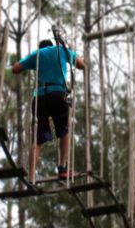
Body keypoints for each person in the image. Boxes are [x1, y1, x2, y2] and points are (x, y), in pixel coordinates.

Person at [12, 39, 85, 181]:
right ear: (51, 46)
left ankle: (31, 176)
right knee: (64, 131)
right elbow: (82, 65)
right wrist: (68, 49)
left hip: (39, 98)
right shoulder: (61, 50)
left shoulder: (37, 55)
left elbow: (15, 69)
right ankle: (62, 168)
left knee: (37, 139)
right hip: (58, 95)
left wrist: (32, 63)